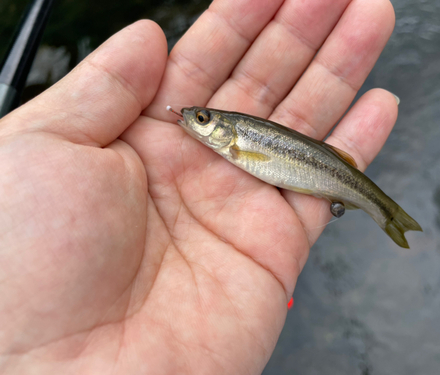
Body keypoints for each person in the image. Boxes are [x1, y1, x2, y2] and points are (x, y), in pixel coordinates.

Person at [0, 0, 398, 373]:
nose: (195, 119)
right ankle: (386, 213)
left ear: (226, 130)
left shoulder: (239, 138)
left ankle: (385, 211)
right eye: (202, 118)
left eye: (204, 119)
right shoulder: (230, 141)